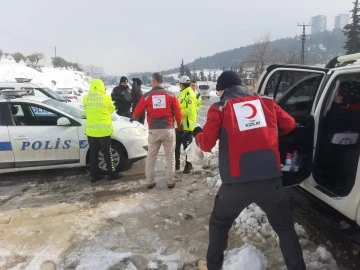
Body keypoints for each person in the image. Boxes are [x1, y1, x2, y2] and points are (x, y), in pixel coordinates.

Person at [193, 70, 306, 270]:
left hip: (235, 184)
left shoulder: (220, 108)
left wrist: (197, 134)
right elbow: (289, 124)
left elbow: (206, 144)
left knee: (219, 224)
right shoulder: (267, 103)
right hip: (270, 180)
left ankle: (213, 266)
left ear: (223, 89)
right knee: (285, 229)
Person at [132, 72, 182, 189]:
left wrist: (133, 117)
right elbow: (178, 113)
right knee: (170, 156)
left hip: (153, 131)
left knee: (151, 157)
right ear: (162, 81)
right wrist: (179, 127)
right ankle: (170, 181)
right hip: (168, 130)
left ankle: (150, 181)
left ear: (153, 81)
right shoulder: (171, 95)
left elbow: (136, 113)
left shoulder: (146, 96)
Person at [83, 79, 122, 183]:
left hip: (91, 132)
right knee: (107, 153)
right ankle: (111, 174)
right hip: (104, 131)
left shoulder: (85, 98)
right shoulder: (106, 98)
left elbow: (86, 110)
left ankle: (94, 176)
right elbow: (111, 110)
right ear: (101, 86)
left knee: (93, 153)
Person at [175, 75, 198, 173]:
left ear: (182, 84)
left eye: (180, 84)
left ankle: (188, 166)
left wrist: (177, 112)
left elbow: (189, 110)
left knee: (187, 147)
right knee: (176, 146)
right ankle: (176, 165)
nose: (179, 85)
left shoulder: (189, 94)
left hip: (187, 126)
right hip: (180, 124)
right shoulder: (182, 93)